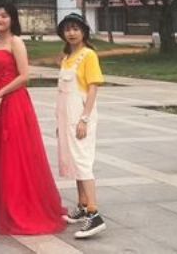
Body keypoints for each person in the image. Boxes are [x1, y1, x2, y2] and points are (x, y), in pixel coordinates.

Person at [0, 3, 65, 235]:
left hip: (13, 102)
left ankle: (19, 206)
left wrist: (1, 92)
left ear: (12, 19)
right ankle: (2, 206)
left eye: (4, 16)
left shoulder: (16, 42)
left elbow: (24, 76)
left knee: (13, 155)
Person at [56, 13, 106, 238]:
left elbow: (93, 88)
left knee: (83, 163)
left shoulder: (88, 55)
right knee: (75, 162)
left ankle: (94, 214)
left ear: (84, 31)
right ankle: (83, 205)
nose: (72, 33)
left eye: (76, 28)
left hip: (80, 118)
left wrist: (84, 119)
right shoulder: (67, 57)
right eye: (68, 29)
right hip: (67, 118)